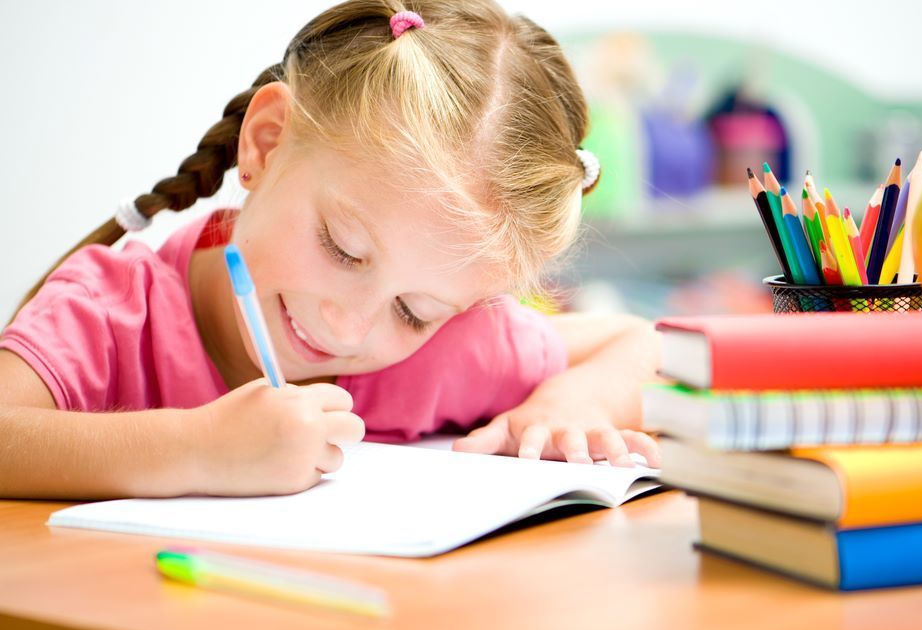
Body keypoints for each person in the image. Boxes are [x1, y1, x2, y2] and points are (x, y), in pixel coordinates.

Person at [0, 0, 660, 500]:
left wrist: (572, 405)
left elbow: (646, 343)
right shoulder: (110, 314)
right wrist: (197, 450)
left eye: (414, 310)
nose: (348, 326)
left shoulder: (444, 350)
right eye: (342, 249)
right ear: (264, 142)